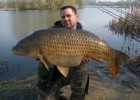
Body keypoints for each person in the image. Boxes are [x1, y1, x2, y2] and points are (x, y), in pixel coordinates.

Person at [37, 5, 91, 100]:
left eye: (69, 16)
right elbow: (37, 56)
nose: (66, 19)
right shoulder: (49, 33)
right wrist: (43, 58)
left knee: (82, 69)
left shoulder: (84, 36)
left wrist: (85, 59)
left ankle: (78, 97)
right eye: (63, 17)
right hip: (54, 74)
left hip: (72, 72)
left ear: (76, 16)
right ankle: (47, 91)